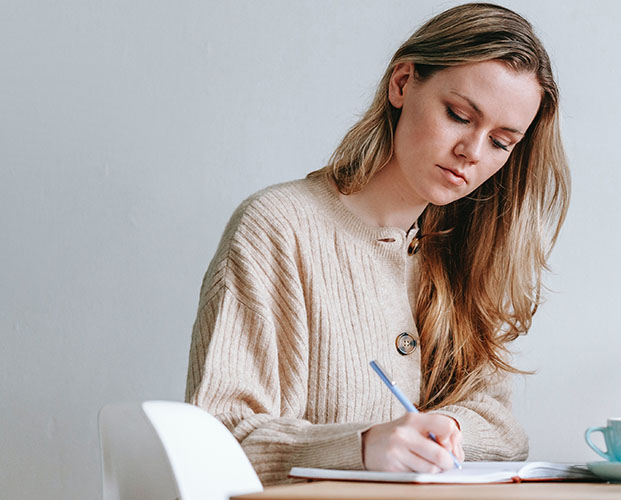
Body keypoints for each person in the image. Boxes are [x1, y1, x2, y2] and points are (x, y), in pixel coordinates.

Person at [185, 2, 569, 485]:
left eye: (501, 142)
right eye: (458, 115)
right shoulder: (277, 229)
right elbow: (215, 436)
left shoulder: (465, 251)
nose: (471, 152)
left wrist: (447, 429)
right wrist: (363, 446)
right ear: (403, 83)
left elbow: (501, 426)